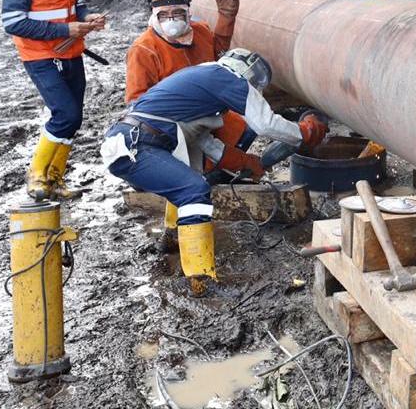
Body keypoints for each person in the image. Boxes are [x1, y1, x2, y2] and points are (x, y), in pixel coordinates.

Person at [101, 49, 329, 295]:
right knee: (194, 190)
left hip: (130, 142)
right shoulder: (226, 77)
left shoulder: (199, 84)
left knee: (186, 181)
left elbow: (209, 145)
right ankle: (201, 277)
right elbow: (265, 123)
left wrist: (245, 162)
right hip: (137, 145)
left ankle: (173, 236)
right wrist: (305, 132)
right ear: (247, 71)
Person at [125, 0, 257, 243]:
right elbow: (137, 103)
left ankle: (216, 172)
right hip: (169, 127)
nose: (172, 19)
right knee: (188, 172)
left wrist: (227, 17)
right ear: (154, 15)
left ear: (187, 10)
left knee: (245, 127)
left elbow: (219, 54)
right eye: (165, 14)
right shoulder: (144, 49)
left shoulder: (201, 32)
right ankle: (183, 212)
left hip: (208, 116)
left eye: (178, 12)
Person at [2, 0, 106, 201]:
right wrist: (66, 30)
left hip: (71, 52)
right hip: (41, 57)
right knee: (65, 113)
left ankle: (55, 179)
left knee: (74, 118)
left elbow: (78, 4)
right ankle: (36, 174)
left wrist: (86, 20)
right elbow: (13, 23)